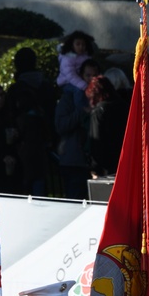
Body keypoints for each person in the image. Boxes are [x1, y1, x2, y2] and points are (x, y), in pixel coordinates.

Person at [6, 46, 55, 197]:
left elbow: (10, 116)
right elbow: (52, 111)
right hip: (44, 140)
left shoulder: (15, 89)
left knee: (26, 183)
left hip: (23, 142)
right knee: (42, 180)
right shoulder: (46, 86)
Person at [54, 57, 97, 199]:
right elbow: (60, 125)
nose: (91, 79)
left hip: (94, 160)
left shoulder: (101, 97)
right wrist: (82, 112)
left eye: (94, 75)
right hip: (74, 160)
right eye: (87, 75)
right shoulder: (69, 98)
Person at [85, 73, 128, 178]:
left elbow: (96, 140)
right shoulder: (124, 106)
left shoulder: (99, 111)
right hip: (126, 160)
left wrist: (95, 168)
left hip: (107, 166)